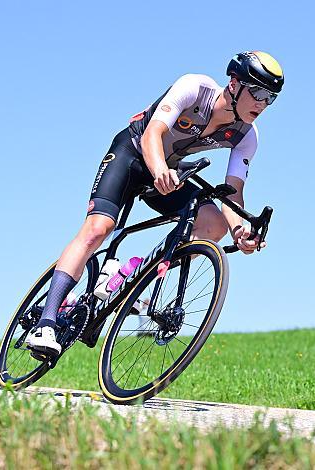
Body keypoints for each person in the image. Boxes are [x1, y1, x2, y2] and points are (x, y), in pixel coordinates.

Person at [25, 50, 285, 355]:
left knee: (214, 224)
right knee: (98, 229)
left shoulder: (247, 135)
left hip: (167, 172)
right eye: (257, 92)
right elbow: (152, 134)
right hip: (132, 155)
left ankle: (133, 277)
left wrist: (240, 231)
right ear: (234, 83)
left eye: (270, 98)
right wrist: (160, 169)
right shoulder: (195, 87)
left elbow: (232, 192)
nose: (262, 104)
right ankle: (46, 321)